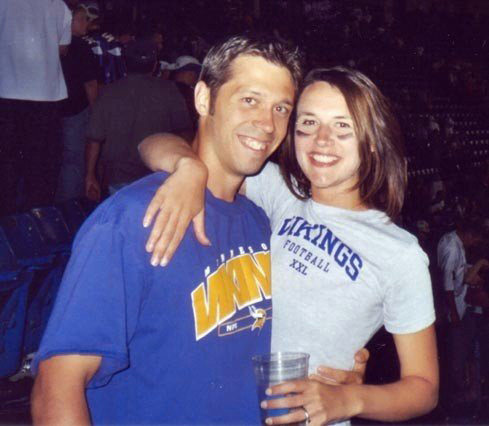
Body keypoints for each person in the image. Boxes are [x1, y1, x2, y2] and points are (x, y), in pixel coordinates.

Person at [31, 35, 364, 425]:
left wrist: (337, 374)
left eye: (281, 108)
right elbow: (56, 387)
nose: (266, 123)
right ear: (204, 99)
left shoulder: (260, 223)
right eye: (249, 100)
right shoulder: (132, 219)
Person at [138, 66, 439, 425]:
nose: (321, 140)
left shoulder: (400, 253)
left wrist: (349, 397)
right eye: (308, 123)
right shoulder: (279, 192)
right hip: (225, 407)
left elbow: (424, 388)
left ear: (371, 139)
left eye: (342, 126)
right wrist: (188, 166)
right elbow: (151, 143)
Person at [84, 39, 192, 201]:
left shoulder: (108, 92)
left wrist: (90, 176)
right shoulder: (169, 90)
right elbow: (185, 134)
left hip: (118, 180)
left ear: (124, 63)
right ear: (154, 65)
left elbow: (94, 140)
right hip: (158, 179)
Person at [0, 0, 71, 214]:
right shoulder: (59, 6)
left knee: (6, 164)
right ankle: (36, 221)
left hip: (6, 93)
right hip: (45, 96)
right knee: (40, 166)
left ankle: (5, 221)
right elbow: (63, 49)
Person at [437, 220, 489, 409]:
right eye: (474, 240)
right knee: (458, 352)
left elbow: (460, 274)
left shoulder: (453, 241)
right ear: (469, 235)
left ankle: (461, 391)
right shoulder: (452, 248)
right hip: (456, 307)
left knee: (463, 351)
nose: (474, 244)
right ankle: (455, 396)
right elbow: (447, 284)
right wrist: (453, 313)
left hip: (461, 305)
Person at [56, 5, 99, 203]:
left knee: (59, 158)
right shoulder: (81, 47)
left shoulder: (54, 45)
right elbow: (90, 83)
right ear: (68, 22)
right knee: (74, 159)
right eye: (82, 19)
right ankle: (70, 206)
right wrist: (96, 110)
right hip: (76, 111)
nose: (87, 23)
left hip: (55, 110)